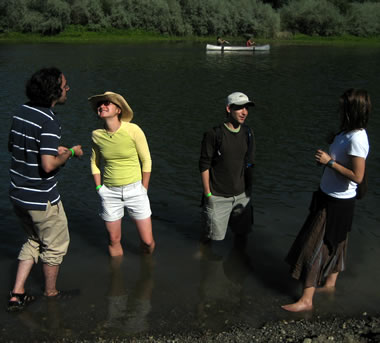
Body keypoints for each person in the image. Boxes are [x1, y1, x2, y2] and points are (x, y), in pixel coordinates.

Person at [282, 88, 371, 312]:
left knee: (313, 247)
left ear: (353, 109)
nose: (339, 108)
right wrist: (328, 160)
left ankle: (306, 300)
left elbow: (358, 176)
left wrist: (329, 162)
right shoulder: (347, 132)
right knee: (338, 242)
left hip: (337, 201)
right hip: (331, 196)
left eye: (343, 105)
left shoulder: (358, 138)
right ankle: (330, 286)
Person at [7, 67, 83, 311]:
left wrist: (51, 148)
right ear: (54, 91)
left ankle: (17, 294)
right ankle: (51, 293)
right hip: (42, 198)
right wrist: (70, 153)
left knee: (33, 239)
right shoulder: (49, 120)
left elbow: (14, 146)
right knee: (55, 246)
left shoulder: (21, 111)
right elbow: (48, 166)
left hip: (18, 193)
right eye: (64, 85)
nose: (68, 88)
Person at [89, 91, 155, 257]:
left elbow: (146, 160)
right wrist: (99, 187)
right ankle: (117, 278)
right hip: (110, 192)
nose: (102, 106)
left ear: (118, 110)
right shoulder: (97, 135)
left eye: (107, 103)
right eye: (99, 104)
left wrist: (143, 189)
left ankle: (146, 267)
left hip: (136, 191)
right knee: (114, 239)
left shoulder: (133, 130)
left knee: (147, 242)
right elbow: (94, 163)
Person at [199, 92, 256, 255]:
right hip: (217, 196)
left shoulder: (248, 133)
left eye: (246, 108)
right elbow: (204, 165)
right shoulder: (213, 134)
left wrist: (249, 192)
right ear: (228, 109)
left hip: (242, 196)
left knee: (242, 235)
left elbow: (250, 163)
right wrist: (208, 194)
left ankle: (238, 266)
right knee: (210, 236)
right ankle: (204, 261)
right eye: (239, 108)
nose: (244, 112)